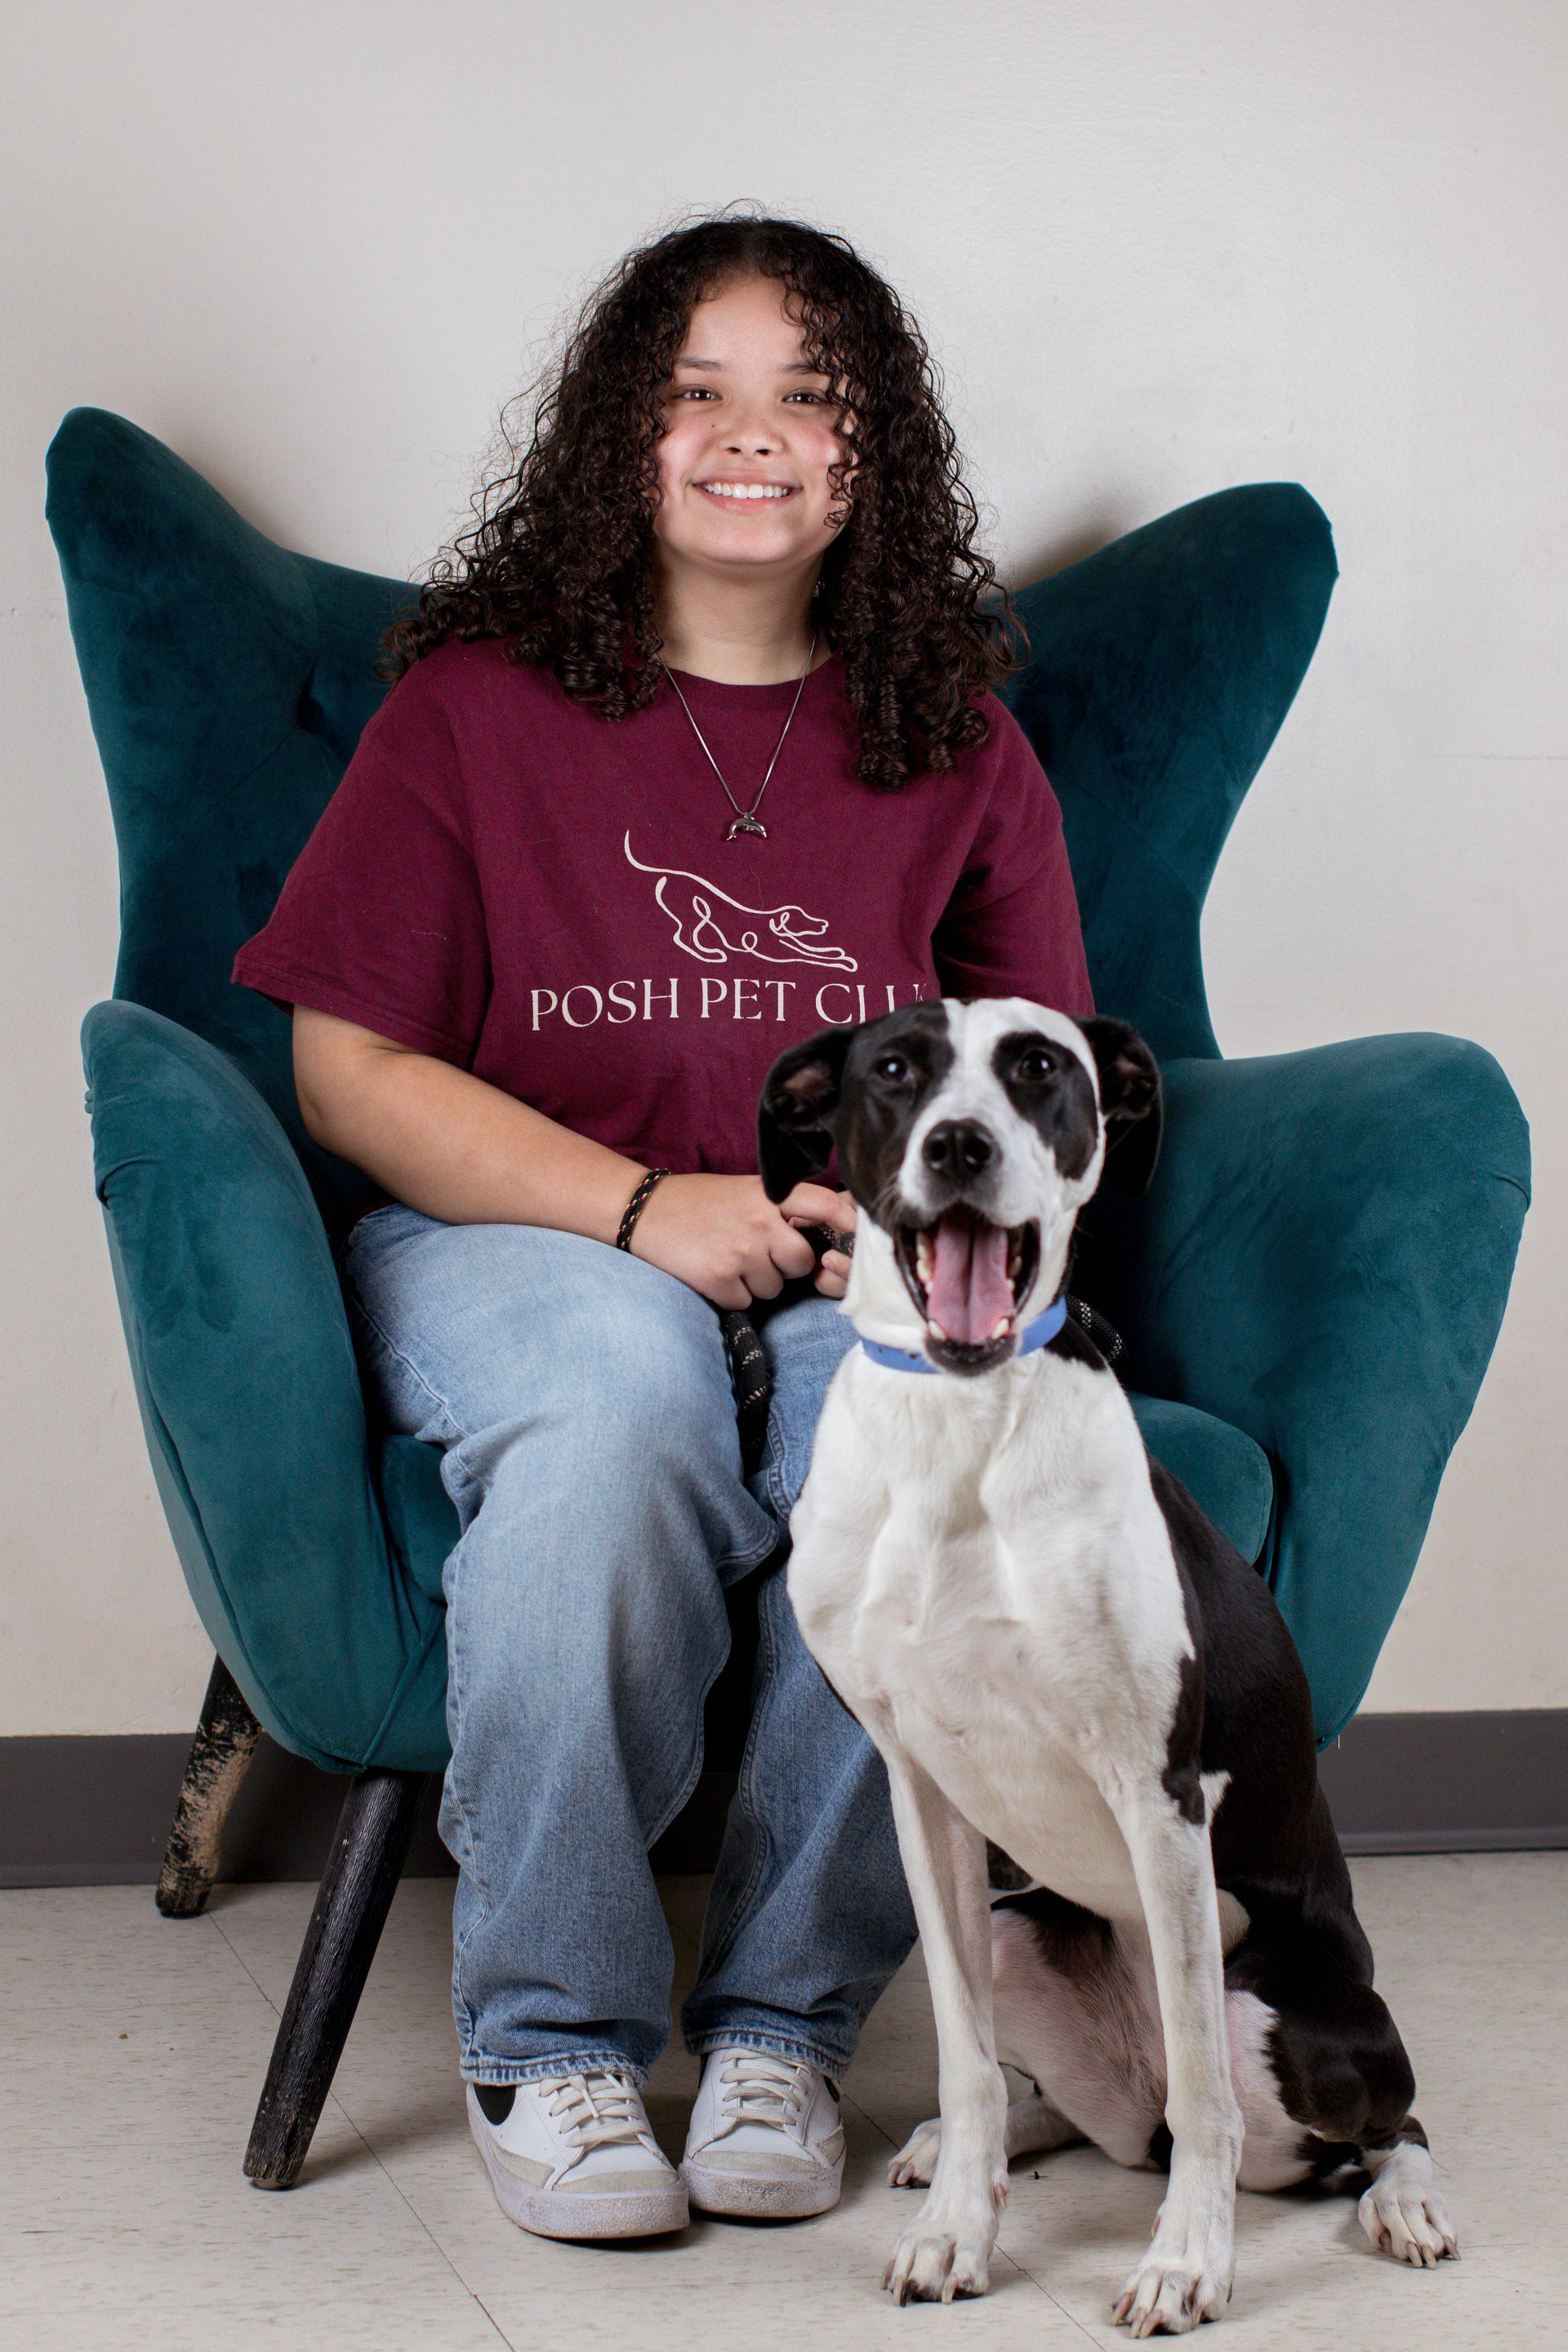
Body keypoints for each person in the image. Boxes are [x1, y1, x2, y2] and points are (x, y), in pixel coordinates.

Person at [233, 211, 1093, 2245]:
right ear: (624, 428)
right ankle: (552, 2046)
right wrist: (636, 1206)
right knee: (618, 1404)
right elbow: (347, 1072)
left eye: (810, 398)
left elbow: (1041, 1076)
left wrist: (900, 1257)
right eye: (697, 388)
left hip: (829, 1261)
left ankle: (786, 2028)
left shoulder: (954, 733)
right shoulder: (472, 708)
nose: (750, 437)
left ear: (870, 457)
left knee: (919, 1460)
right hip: (512, 1244)